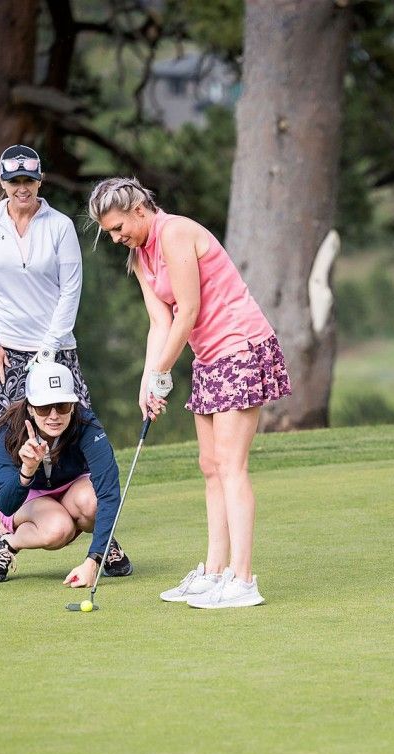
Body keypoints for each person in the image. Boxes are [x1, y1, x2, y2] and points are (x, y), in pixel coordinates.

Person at [87, 177, 290, 609]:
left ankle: (243, 579)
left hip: (240, 347)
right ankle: (214, 572)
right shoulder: (139, 257)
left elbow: (190, 309)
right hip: (209, 356)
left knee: (232, 466)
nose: (117, 237)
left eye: (120, 227)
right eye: (110, 233)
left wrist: (162, 372)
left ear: (139, 210)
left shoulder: (175, 233)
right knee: (210, 466)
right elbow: (161, 323)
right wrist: (149, 379)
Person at [0, 144, 89, 550]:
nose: (22, 188)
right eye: (14, 181)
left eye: (29, 181)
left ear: (40, 181)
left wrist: (50, 348)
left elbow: (71, 290)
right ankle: (8, 520)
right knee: (6, 433)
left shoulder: (59, 225)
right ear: (2, 183)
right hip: (1, 348)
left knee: (64, 421)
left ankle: (69, 500)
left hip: (53, 347)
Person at [0, 360, 132, 586]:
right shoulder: (8, 432)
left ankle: (104, 543)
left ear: (72, 405)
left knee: (92, 504)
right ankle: (7, 544)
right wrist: (27, 471)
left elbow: (109, 493)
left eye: (61, 406)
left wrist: (93, 559)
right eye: (43, 407)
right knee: (58, 529)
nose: (53, 416)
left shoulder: (86, 424)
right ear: (30, 407)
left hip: (72, 487)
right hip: (25, 494)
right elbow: (5, 504)